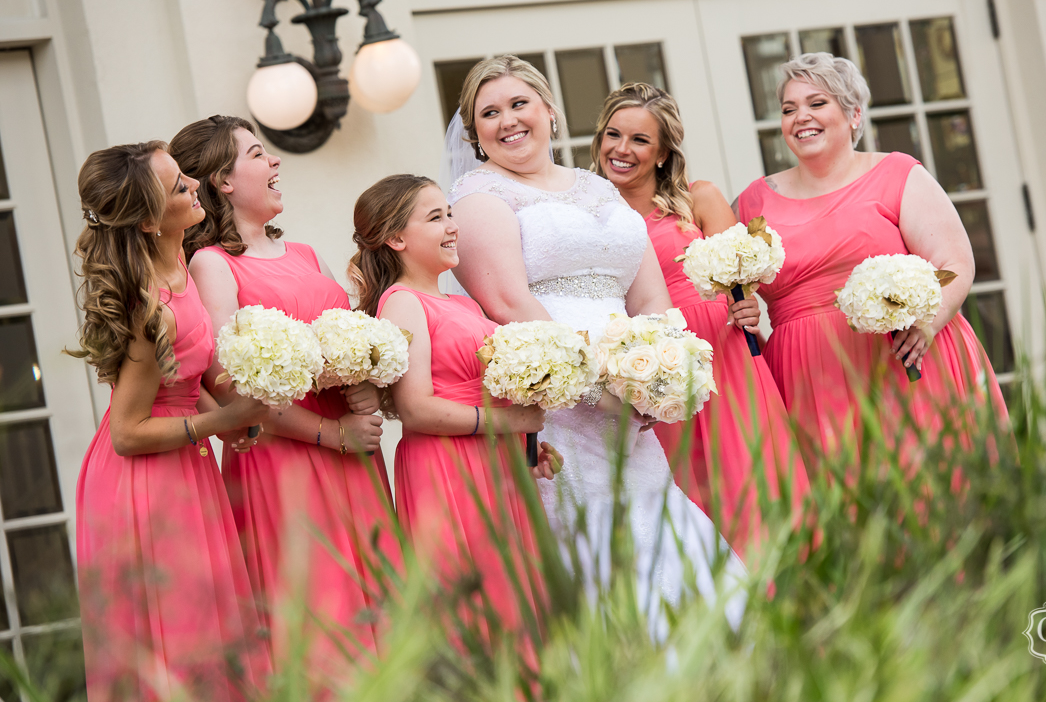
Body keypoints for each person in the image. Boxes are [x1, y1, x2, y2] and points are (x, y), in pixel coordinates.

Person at [445, 56, 744, 640]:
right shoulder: (479, 196)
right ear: (474, 133)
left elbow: (651, 294)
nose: (508, 120)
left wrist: (656, 377)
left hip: (628, 403)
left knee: (655, 523)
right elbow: (509, 304)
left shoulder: (599, 187)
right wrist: (601, 386)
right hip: (558, 400)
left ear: (549, 111)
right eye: (490, 112)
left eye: (519, 104)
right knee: (593, 543)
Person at [169, 116, 398, 686]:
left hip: (354, 455)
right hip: (285, 459)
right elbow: (230, 386)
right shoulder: (212, 265)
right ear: (222, 180)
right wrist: (330, 434)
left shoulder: (305, 252)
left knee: (385, 609)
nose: (274, 163)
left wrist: (365, 377)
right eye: (257, 154)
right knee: (323, 619)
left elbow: (341, 342)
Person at [736, 52, 1006, 468]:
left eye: (817, 103)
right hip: (809, 379)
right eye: (789, 109)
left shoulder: (897, 173)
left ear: (854, 114)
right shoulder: (754, 201)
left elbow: (954, 261)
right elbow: (726, 285)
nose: (800, 117)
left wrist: (927, 324)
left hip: (904, 361)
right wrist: (743, 310)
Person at [71, 142, 271, 701]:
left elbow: (178, 383)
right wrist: (224, 418)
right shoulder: (144, 304)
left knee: (212, 630)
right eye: (180, 186)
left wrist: (227, 419)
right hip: (144, 483)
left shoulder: (177, 261)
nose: (196, 187)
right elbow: (129, 431)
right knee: (183, 641)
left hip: (185, 466)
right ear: (146, 218)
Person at [591, 82, 806, 555]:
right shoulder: (591, 218)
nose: (621, 150)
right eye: (613, 134)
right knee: (690, 495)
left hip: (726, 357)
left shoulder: (700, 199)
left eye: (640, 140)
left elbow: (741, 280)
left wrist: (748, 305)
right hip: (658, 370)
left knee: (756, 483)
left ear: (664, 152)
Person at [350, 174, 562, 637]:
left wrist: (527, 441)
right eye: (435, 217)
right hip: (447, 466)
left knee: (520, 599)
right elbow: (417, 409)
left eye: (450, 213)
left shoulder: (463, 306)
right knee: (479, 607)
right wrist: (509, 421)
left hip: (497, 460)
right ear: (396, 238)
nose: (452, 225)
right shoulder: (403, 303)